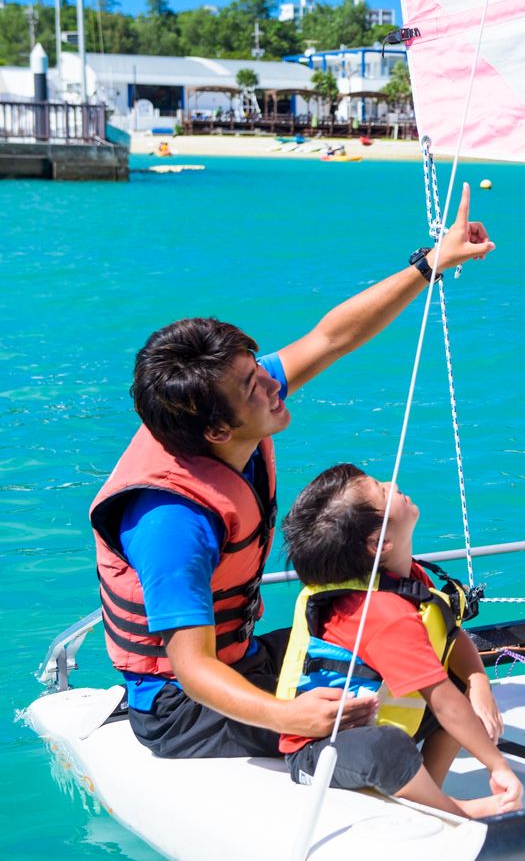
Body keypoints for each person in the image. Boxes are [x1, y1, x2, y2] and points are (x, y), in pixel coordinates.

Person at [90, 186, 495, 759]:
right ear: (215, 431)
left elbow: (331, 338)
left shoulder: (227, 411)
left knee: (422, 661)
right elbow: (193, 666)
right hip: (181, 707)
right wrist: (290, 715)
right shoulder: (172, 522)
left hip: (244, 659)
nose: (273, 381)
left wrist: (431, 263)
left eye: (257, 366)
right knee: (395, 715)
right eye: (253, 386)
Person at [275, 463, 523, 818]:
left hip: (377, 720)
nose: (393, 483)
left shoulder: (408, 580)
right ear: (379, 544)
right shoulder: (383, 614)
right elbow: (443, 704)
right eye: (381, 489)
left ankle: (427, 791)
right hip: (319, 753)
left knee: (462, 695)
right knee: (393, 741)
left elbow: (451, 636)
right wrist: (497, 766)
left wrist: (478, 682)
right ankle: (456, 810)